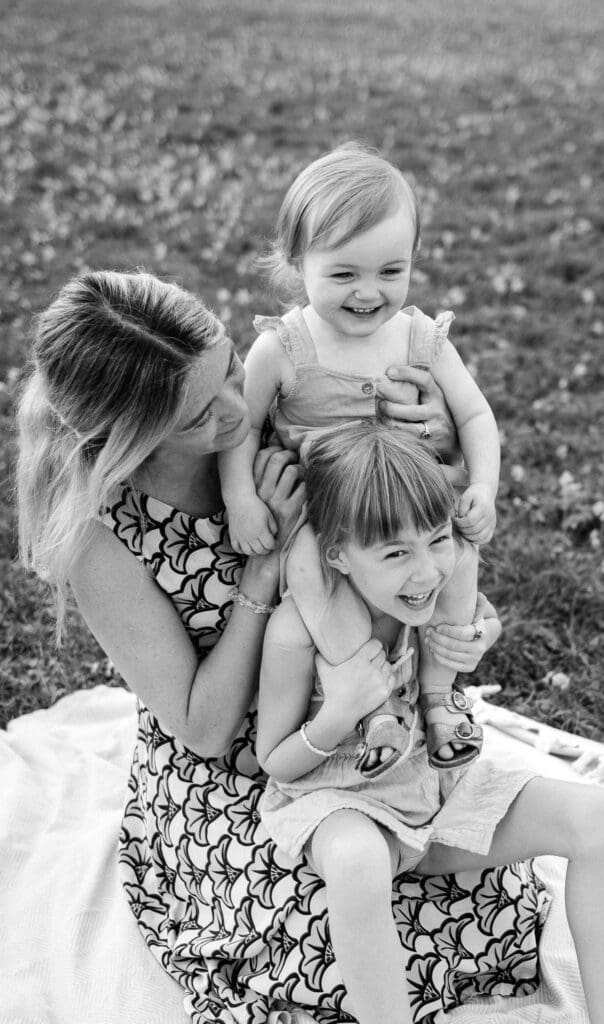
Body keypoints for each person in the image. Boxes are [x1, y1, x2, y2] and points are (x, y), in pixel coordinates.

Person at [15, 270, 548, 1024]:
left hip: (357, 714)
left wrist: (432, 445)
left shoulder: (274, 418)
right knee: (332, 935)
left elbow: (397, 533)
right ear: (127, 438)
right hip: (234, 765)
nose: (237, 411)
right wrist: (261, 577)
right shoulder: (100, 535)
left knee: (480, 886)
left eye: (230, 368)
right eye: (200, 414)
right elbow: (200, 728)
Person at [257, 420, 604, 1024]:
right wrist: (339, 714)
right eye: (395, 553)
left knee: (596, 816)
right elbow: (273, 760)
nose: (427, 571)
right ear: (337, 555)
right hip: (343, 805)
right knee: (356, 862)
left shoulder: (426, 598)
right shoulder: (297, 632)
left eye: (436, 540)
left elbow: (480, 619)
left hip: (435, 794)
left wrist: (481, 638)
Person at [219, 142, 500, 775]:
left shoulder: (419, 338)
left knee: (458, 559)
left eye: (390, 272)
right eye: (344, 275)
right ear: (298, 263)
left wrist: (481, 484)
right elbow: (241, 427)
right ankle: (374, 706)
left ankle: (440, 693)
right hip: (322, 514)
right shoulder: (283, 348)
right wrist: (241, 496)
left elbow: (477, 414)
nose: (369, 293)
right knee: (313, 586)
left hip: (412, 506)